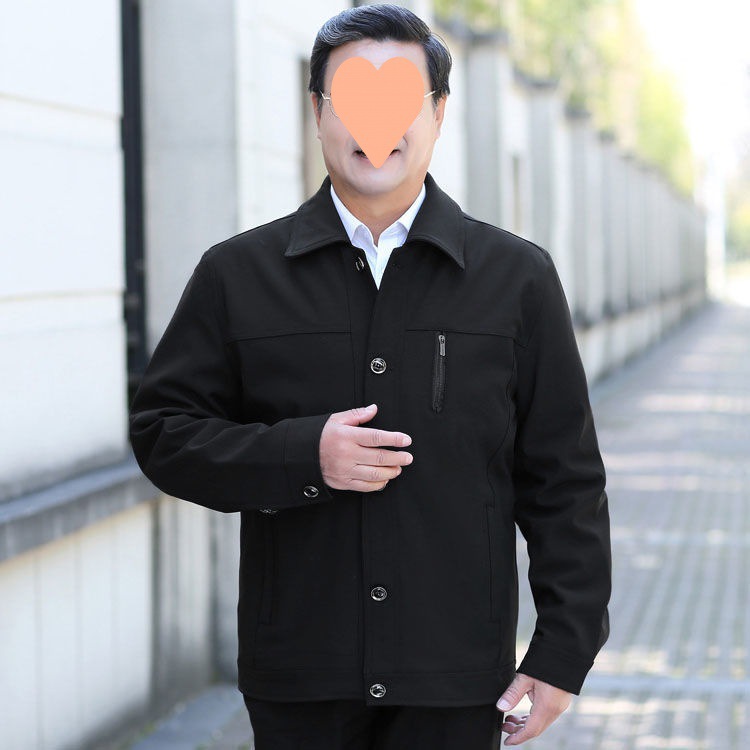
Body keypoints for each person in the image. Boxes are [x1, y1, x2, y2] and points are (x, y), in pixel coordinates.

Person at [128, 4, 611, 748]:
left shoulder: (516, 278)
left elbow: (565, 480)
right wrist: (303, 457)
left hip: (456, 678)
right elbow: (164, 434)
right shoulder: (238, 275)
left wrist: (562, 654)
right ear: (318, 111)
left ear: (438, 113)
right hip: (300, 677)